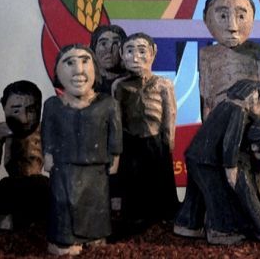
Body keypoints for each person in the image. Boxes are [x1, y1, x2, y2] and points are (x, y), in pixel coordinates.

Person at [42, 44, 122, 255]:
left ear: (95, 68)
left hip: (96, 167)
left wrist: (115, 158)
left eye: (85, 62)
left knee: (96, 203)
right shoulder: (52, 105)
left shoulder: (108, 104)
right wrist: (47, 156)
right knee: (63, 204)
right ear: (57, 72)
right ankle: (64, 240)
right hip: (63, 168)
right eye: (69, 63)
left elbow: (115, 135)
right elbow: (47, 133)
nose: (78, 70)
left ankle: (95, 236)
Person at [174, 80, 260, 244]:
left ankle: (187, 224)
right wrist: (231, 168)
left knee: (196, 194)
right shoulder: (239, 112)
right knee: (218, 195)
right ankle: (220, 231)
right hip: (208, 162)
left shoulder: (224, 105)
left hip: (195, 156)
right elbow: (230, 142)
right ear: (255, 97)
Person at [113, 33, 178, 227]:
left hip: (156, 139)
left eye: (142, 51)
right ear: (121, 54)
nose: (135, 57)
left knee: (160, 177)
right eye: (129, 51)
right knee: (132, 179)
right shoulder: (120, 86)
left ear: (153, 52)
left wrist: (169, 140)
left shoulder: (163, 84)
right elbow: (116, 118)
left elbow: (170, 113)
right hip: (130, 141)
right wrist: (117, 145)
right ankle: (135, 215)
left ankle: (165, 213)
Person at [0, 80, 48, 230]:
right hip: (12, 182)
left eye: (31, 111)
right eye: (16, 111)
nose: (24, 118)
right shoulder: (1, 130)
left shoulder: (43, 129)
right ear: (4, 107)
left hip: (36, 183)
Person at [199, 0, 260, 120]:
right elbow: (206, 100)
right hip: (217, 121)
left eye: (241, 16)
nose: (232, 27)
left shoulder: (257, 54)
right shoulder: (206, 55)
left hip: (249, 120)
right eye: (223, 16)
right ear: (206, 19)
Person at [90, 24, 127, 94]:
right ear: (94, 49)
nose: (109, 49)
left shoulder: (133, 83)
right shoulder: (86, 84)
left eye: (116, 43)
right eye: (103, 43)